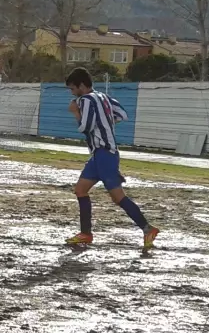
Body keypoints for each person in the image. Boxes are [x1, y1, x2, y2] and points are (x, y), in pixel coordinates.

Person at [64, 67, 158, 250]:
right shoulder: (104, 97)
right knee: (80, 190)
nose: (73, 94)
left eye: (73, 89)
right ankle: (86, 233)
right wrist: (105, 123)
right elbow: (122, 114)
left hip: (104, 153)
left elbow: (85, 127)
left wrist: (76, 112)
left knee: (118, 197)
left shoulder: (84, 100)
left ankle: (148, 229)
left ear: (82, 86)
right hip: (101, 154)